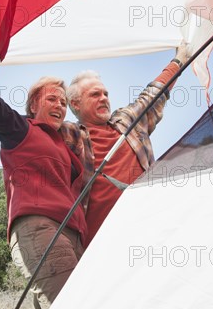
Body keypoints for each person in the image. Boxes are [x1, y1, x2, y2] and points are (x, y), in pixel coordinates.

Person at [0, 36, 87, 309]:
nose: (59, 105)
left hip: (75, 237)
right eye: (51, 99)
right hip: (39, 229)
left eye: (64, 102)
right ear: (32, 106)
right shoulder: (18, 128)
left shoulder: (65, 147)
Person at [62, 43, 189, 247]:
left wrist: (179, 60)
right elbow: (29, 129)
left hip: (151, 227)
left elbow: (154, 93)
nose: (104, 98)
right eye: (95, 95)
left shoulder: (127, 121)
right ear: (75, 104)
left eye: (105, 94)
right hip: (102, 244)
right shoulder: (69, 135)